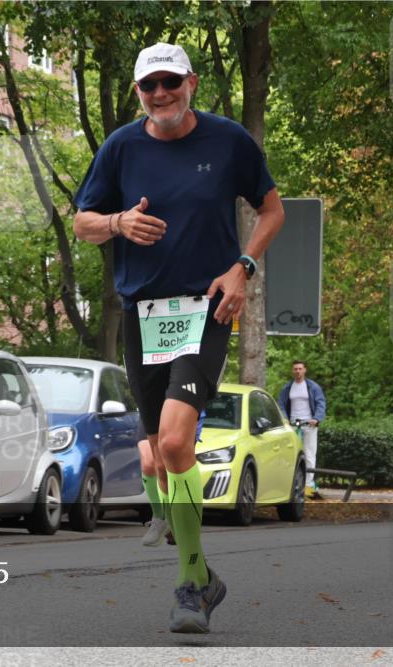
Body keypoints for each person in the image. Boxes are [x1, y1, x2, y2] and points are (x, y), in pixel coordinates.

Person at [72, 42, 285, 633]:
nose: (161, 93)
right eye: (150, 85)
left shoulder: (228, 141)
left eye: (171, 82)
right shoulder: (120, 147)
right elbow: (83, 222)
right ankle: (204, 573)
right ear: (138, 92)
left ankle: (191, 584)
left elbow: (272, 211)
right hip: (143, 314)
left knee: (172, 441)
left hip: (206, 309)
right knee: (163, 460)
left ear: (192, 82)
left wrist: (243, 267)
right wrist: (117, 222)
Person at [140, 411, 204, 547]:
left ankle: (180, 521)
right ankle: (160, 517)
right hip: (150, 407)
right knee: (148, 462)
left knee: (173, 466)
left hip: (182, 406)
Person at [278, 360, 327, 497]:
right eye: (295, 369)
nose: (298, 371)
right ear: (292, 371)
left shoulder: (313, 387)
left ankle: (308, 485)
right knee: (291, 455)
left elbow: (321, 403)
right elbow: (281, 404)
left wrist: (316, 419)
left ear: (305, 370)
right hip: (293, 425)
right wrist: (285, 419)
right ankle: (292, 483)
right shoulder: (287, 387)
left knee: (309, 454)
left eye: (300, 369)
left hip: (309, 425)